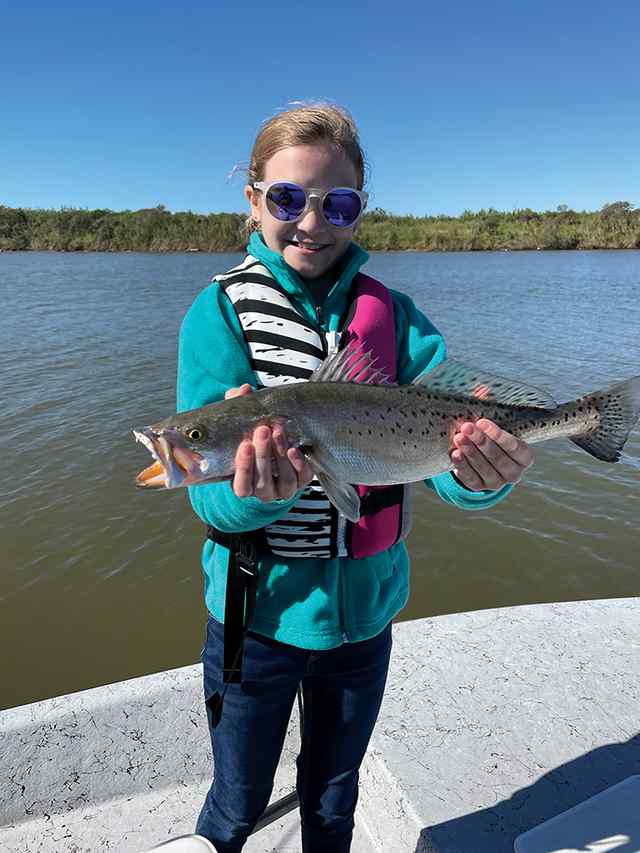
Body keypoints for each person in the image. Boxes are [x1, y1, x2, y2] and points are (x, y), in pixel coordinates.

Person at [176, 103, 534, 853]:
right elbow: (205, 487)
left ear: (360, 208)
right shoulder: (217, 317)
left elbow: (451, 471)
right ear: (253, 199)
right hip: (256, 620)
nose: (311, 222)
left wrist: (485, 473)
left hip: (366, 618)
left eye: (337, 203)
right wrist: (246, 494)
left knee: (335, 797)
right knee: (237, 800)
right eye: (287, 199)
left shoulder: (396, 320)